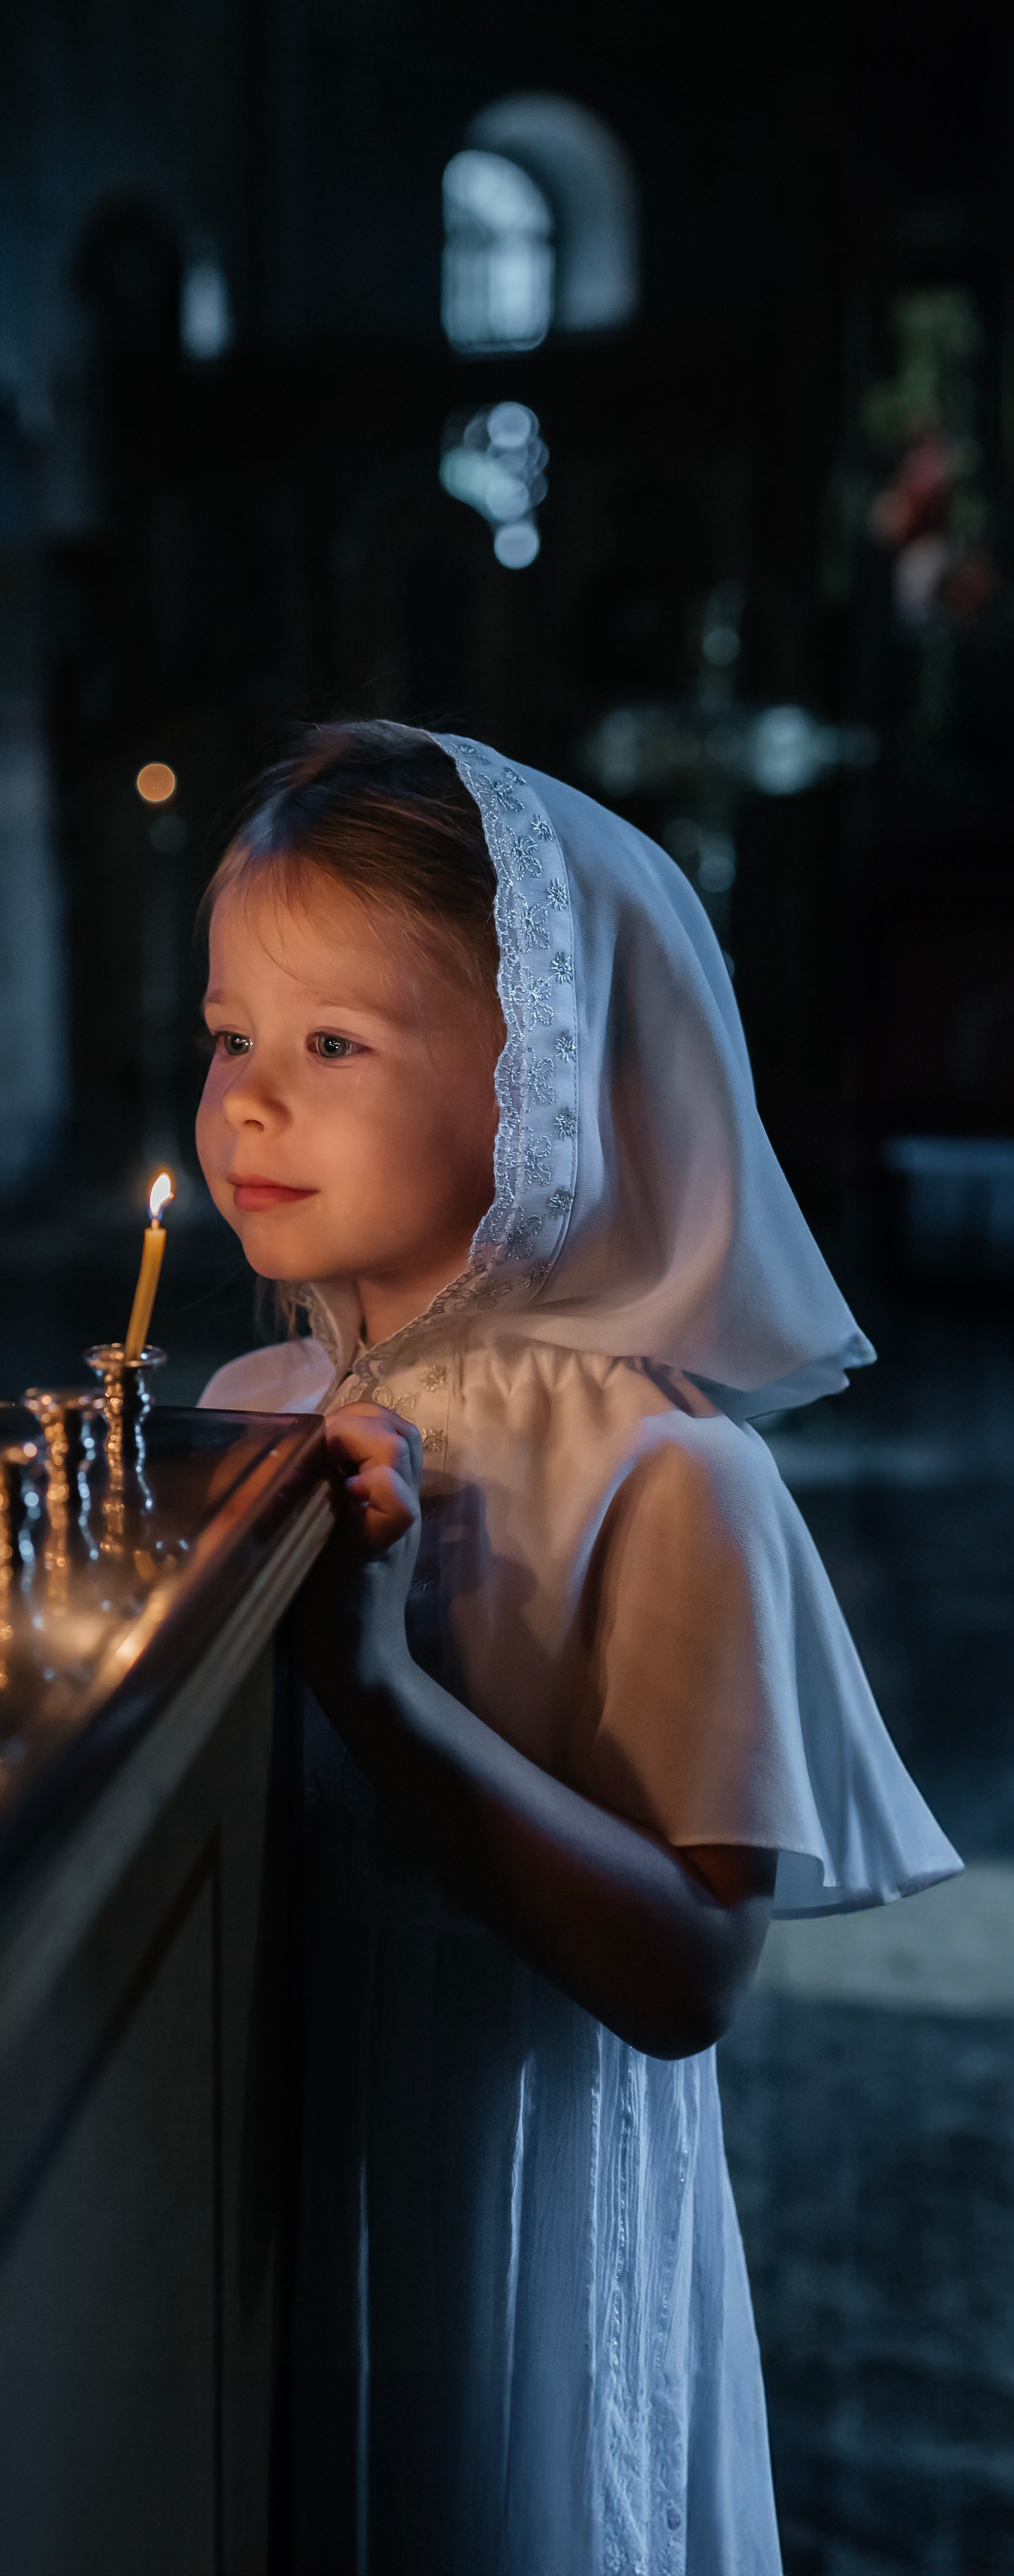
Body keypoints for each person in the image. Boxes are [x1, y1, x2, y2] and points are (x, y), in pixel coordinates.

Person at [195, 723, 960, 2575]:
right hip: (263, 2186)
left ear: (540, 1086)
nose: (250, 1105)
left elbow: (687, 1967)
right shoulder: (244, 1401)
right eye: (229, 1036)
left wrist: (380, 1691)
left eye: (333, 1045)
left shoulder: (669, 1475)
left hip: (514, 2213)